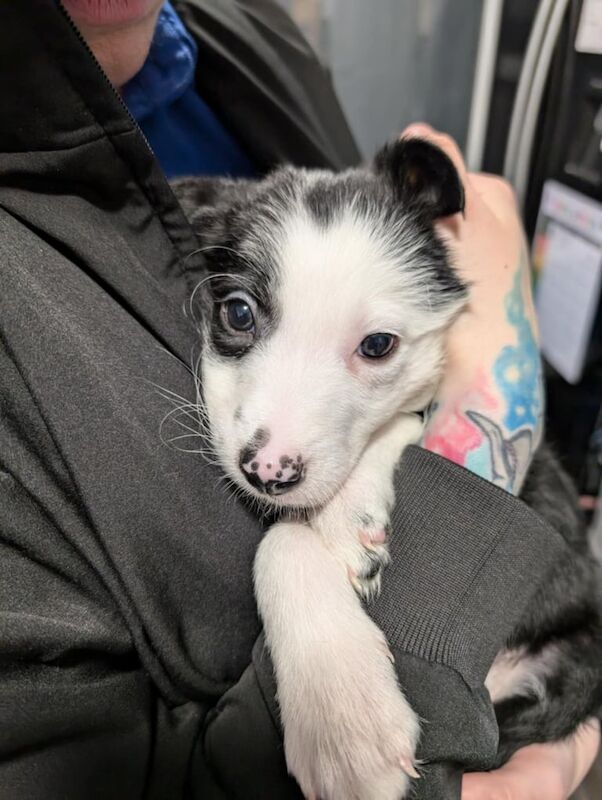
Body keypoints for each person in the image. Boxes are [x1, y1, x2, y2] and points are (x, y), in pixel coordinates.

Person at [0, 1, 598, 799]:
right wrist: (499, 373)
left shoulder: (248, 32)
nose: (273, 458)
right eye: (242, 316)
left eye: (376, 347)